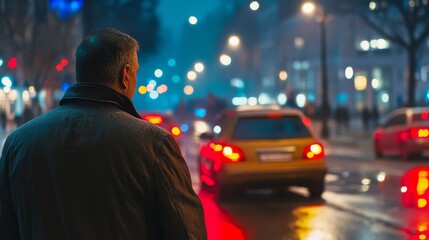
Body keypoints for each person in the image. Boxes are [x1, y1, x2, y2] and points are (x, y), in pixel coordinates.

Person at [0, 28, 207, 240]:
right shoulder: (154, 144)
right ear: (125, 75)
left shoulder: (18, 143)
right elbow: (188, 232)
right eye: (135, 72)